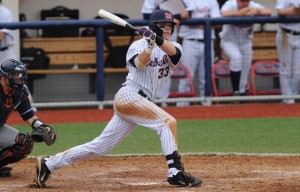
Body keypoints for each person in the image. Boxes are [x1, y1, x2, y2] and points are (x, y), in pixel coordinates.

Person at [34, 9, 202, 188]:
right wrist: (149, 46)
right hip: (129, 96)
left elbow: (174, 54)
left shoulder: (175, 46)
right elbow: (139, 64)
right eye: (163, 26)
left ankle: (48, 164)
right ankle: (175, 172)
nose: (167, 29)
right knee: (167, 122)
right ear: (153, 26)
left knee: (100, 147)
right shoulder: (137, 46)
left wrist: (157, 39)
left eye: (170, 26)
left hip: (141, 102)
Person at [0, 59, 55, 177]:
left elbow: (29, 115)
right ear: (3, 76)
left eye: (18, 75)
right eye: (13, 75)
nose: (17, 78)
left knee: (26, 143)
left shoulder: (19, 92)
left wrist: (42, 126)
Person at [141, 0, 189, 107]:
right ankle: (148, 99)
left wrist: (171, 19)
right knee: (150, 68)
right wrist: (168, 19)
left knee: (165, 68)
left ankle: (162, 100)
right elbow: (146, 14)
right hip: (152, 36)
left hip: (170, 36)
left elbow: (187, 12)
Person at [220, 0, 271, 96]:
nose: (244, 3)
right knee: (236, 58)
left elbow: (268, 12)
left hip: (246, 42)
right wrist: (239, 13)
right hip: (229, 41)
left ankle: (241, 93)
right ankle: (235, 91)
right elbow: (223, 13)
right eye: (242, 1)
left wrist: (256, 11)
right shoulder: (230, 4)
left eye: (246, 1)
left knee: (245, 69)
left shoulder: (252, 5)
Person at [177, 0, 221, 106]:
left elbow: (218, 22)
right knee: (186, 77)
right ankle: (181, 106)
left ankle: (206, 106)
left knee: (206, 78)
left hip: (208, 41)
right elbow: (181, 16)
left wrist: (195, 21)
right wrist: (206, 21)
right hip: (190, 41)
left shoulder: (212, 1)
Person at [0, 0, 37, 109]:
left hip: (7, 52)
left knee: (16, 79)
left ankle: (30, 107)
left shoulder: (5, 12)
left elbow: (1, 36)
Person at [276, 0, 300, 104]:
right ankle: (287, 100)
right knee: (286, 69)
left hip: (299, 35)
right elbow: (280, 11)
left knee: (298, 71)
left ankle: (292, 97)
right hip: (285, 33)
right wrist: (294, 11)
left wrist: (293, 11)